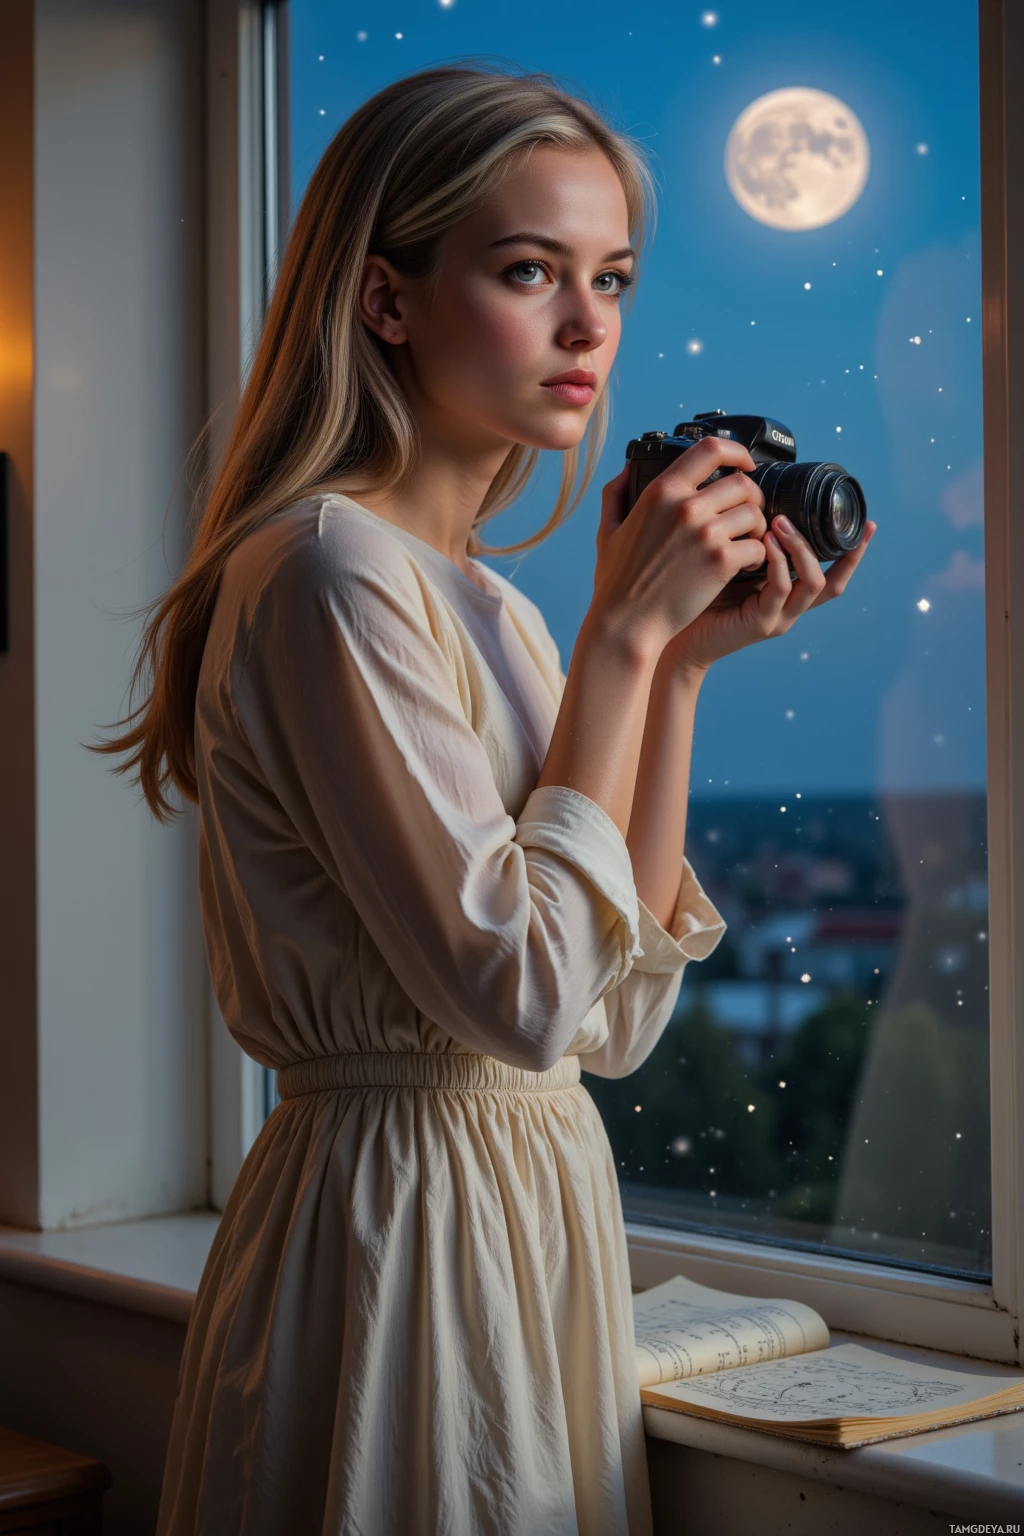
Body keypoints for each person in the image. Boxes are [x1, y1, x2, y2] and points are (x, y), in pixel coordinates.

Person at [95, 64, 874, 1536]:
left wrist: (678, 674)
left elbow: (611, 1021)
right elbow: (516, 995)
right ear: (387, 301)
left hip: (534, 1218)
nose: (590, 326)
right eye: (531, 272)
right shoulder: (329, 571)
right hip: (401, 1229)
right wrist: (625, 641)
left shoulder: (503, 616)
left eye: (614, 279)